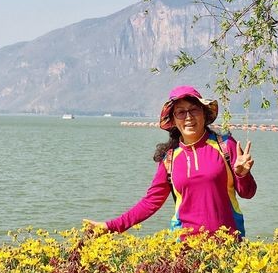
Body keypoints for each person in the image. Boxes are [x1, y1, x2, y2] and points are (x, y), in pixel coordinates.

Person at [85, 85, 257, 238]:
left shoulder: (225, 146)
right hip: (186, 253)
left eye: (194, 110)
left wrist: (242, 174)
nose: (188, 117)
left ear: (204, 114)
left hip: (229, 246)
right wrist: (111, 226)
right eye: (181, 112)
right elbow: (150, 202)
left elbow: (248, 193)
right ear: (174, 120)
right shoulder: (170, 159)